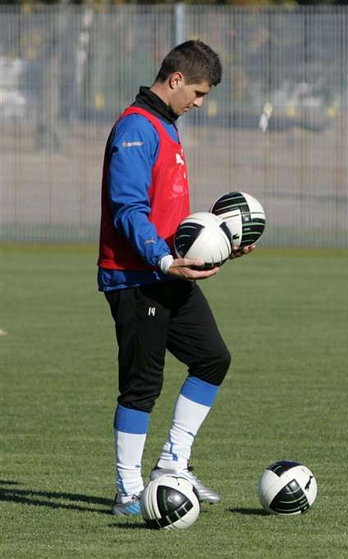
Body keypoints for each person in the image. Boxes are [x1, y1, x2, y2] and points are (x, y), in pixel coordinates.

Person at [97, 40, 252, 516]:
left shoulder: (166, 126)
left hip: (170, 271)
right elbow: (128, 210)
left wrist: (221, 241)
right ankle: (128, 490)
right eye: (199, 93)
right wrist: (163, 261)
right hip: (136, 277)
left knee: (212, 359)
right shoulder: (136, 128)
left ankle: (171, 466)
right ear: (177, 79)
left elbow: (169, 212)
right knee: (143, 385)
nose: (200, 104)